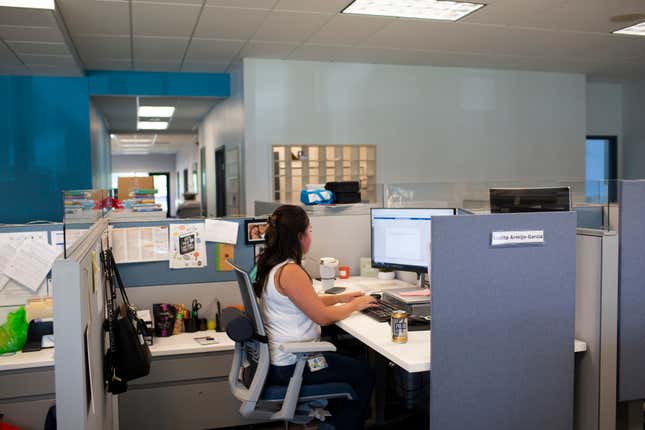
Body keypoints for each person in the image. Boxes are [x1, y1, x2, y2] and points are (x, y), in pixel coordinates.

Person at [254, 204, 377, 430]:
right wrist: (357, 305)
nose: (311, 235)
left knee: (349, 359)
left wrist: (343, 298)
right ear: (299, 237)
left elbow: (307, 301)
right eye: (309, 230)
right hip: (296, 365)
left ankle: (331, 422)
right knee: (364, 373)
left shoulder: (275, 266)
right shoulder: (291, 272)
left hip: (285, 361)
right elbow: (323, 317)